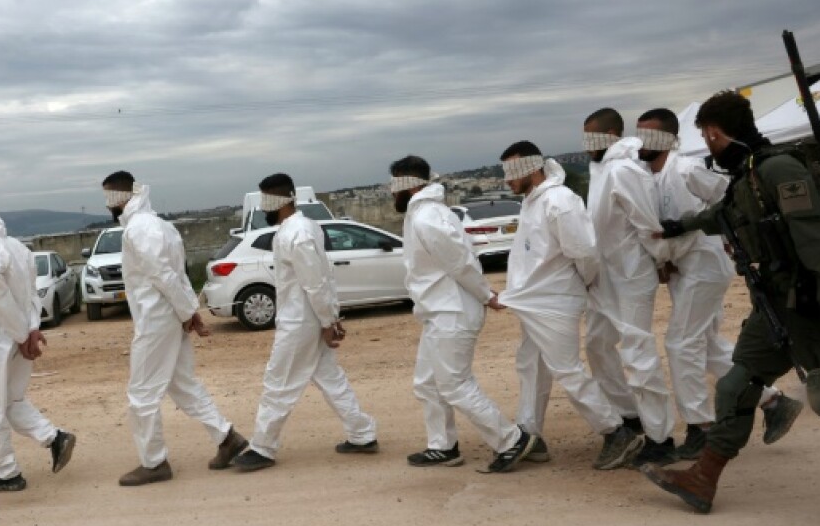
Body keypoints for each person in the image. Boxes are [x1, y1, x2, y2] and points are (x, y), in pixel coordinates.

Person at [642, 91, 820, 516]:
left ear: (715, 133)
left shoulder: (780, 169)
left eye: (706, 135)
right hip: (776, 304)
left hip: (810, 303)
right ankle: (703, 477)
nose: (707, 143)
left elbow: (818, 238)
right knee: (736, 385)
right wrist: (680, 225)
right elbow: (725, 214)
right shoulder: (749, 174)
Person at [636, 108, 801, 460]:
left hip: (704, 265)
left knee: (681, 343)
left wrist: (729, 238)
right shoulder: (650, 177)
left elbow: (729, 197)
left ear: (667, 138)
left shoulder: (687, 169)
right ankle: (773, 401)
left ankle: (702, 427)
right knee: (707, 345)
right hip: (684, 268)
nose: (642, 142)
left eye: (649, 135)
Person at [497, 142, 643, 469]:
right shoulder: (533, 202)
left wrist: (580, 284)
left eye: (513, 171)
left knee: (567, 370)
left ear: (533, 168)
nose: (507, 179)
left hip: (553, 301)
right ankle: (529, 433)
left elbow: (585, 252)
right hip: (534, 301)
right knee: (531, 366)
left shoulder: (559, 201)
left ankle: (616, 431)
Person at [389, 155, 536, 472]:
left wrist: (486, 295)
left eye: (393, 185)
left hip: (452, 312)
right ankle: (442, 446)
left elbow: (461, 263)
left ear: (408, 185)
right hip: (437, 311)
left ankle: (511, 440)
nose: (391, 192)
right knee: (427, 383)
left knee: (455, 384)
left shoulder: (427, 218)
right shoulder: (423, 214)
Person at [101, 171, 247, 486]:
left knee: (142, 393)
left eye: (108, 197)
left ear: (119, 197)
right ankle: (227, 438)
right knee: (182, 384)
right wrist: (188, 311)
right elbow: (179, 275)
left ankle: (153, 463)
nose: (107, 205)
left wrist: (187, 312)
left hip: (156, 319)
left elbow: (164, 276)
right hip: (169, 316)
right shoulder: (161, 226)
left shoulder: (139, 229)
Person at [232, 173, 378, 471]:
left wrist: (328, 321)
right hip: (308, 318)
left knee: (278, 382)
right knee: (329, 377)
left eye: (266, 202)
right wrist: (329, 317)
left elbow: (315, 282)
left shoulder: (296, 234)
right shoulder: (302, 228)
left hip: (300, 322)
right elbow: (321, 279)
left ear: (280, 201)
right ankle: (362, 434)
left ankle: (262, 447)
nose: (263, 209)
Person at [0, 195, 76, 492]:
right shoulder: (17, 247)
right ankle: (54, 437)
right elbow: (31, 292)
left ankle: (7, 473)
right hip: (18, 333)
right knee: (11, 401)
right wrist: (31, 328)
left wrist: (21, 334)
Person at [582, 107, 675, 465]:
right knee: (597, 344)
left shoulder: (623, 170)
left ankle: (660, 437)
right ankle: (629, 413)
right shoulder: (602, 170)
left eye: (591, 137)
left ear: (610, 135)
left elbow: (647, 223)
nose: (586, 145)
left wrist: (662, 259)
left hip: (631, 274)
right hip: (604, 277)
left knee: (637, 353)